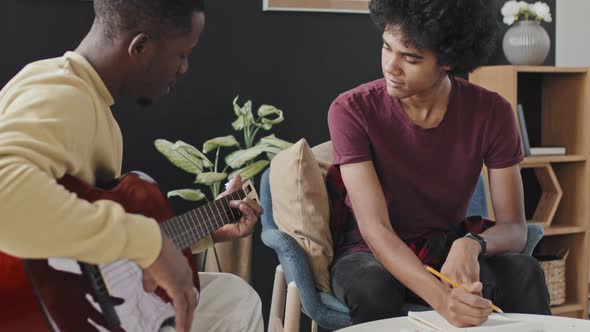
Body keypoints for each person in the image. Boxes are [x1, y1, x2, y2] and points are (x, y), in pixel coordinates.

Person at [0, 1, 263, 331]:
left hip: (74, 305)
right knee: (234, 303)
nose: (184, 68)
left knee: (232, 296)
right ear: (140, 47)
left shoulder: (90, 104)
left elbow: (87, 254)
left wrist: (201, 231)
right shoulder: (60, 95)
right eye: (182, 53)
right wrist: (148, 243)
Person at [327, 0, 551, 327]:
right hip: (369, 252)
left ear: (447, 60)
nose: (391, 66)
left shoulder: (492, 112)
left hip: (443, 246)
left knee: (524, 272)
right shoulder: (352, 110)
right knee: (373, 288)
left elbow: (515, 229)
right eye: (387, 48)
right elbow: (376, 230)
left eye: (410, 57)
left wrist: (471, 244)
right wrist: (442, 299)